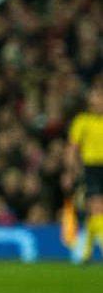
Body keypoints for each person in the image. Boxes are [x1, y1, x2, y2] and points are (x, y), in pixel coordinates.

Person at [68, 85, 103, 263]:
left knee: (95, 213)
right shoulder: (82, 121)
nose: (99, 101)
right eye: (97, 97)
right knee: (97, 207)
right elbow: (73, 148)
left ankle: (86, 252)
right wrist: (70, 171)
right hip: (91, 168)